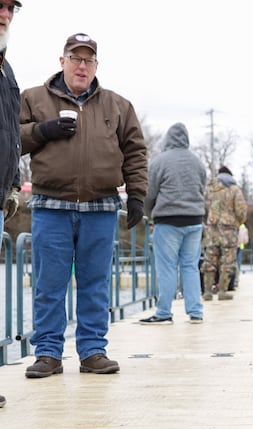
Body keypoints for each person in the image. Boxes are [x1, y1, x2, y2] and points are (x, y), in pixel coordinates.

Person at [19, 33, 147, 378]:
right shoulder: (32, 98)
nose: (81, 65)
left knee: (95, 282)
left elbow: (135, 151)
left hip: (101, 207)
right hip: (50, 206)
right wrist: (42, 130)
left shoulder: (118, 105)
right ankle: (48, 352)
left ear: (96, 66)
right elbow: (9, 136)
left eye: (88, 60)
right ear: (61, 62)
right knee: (49, 284)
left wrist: (136, 194)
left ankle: (92, 350)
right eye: (75, 58)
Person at [139, 123, 206, 325]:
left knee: (167, 267)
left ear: (168, 139)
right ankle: (195, 312)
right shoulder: (198, 162)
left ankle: (164, 313)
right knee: (191, 266)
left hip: (168, 220)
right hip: (195, 220)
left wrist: (150, 216)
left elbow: (149, 194)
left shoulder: (160, 162)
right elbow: (202, 189)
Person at [0, 0, 22, 406]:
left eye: (10, 7)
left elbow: (11, 132)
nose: (4, 14)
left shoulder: (6, 68)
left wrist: (15, 183)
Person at [202, 165, 246, 301]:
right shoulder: (234, 189)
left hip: (211, 228)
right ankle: (222, 291)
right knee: (227, 260)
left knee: (210, 259)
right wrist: (239, 222)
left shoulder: (209, 189)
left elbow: (203, 207)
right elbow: (241, 210)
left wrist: (209, 220)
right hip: (229, 229)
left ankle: (207, 292)